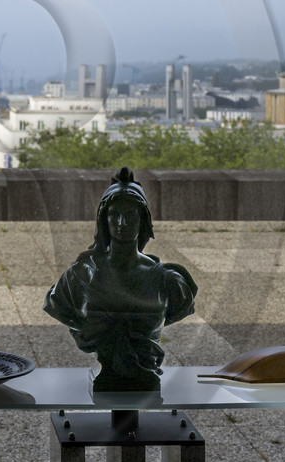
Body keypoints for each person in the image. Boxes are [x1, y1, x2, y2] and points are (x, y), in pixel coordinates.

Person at [44, 166, 197, 390]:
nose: (121, 223)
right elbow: (60, 307)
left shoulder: (169, 281)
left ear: (143, 219)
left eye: (130, 214)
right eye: (114, 214)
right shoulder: (79, 276)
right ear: (103, 220)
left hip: (145, 378)